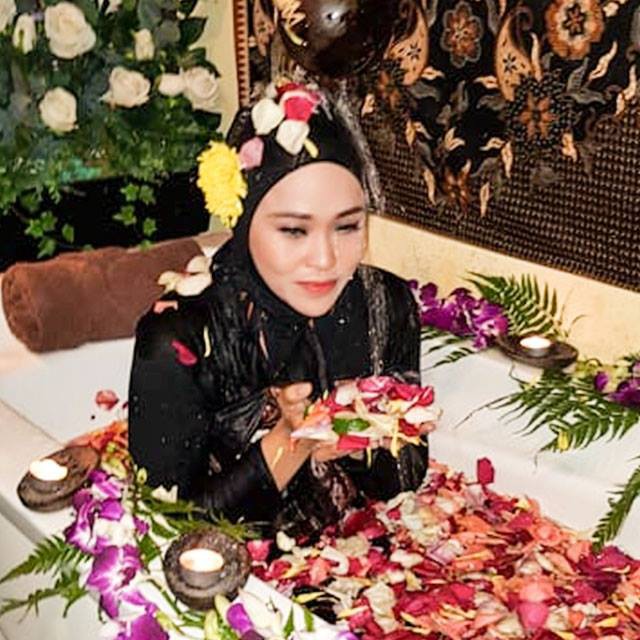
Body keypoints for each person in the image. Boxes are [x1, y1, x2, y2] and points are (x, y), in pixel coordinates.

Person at [128, 79, 429, 537]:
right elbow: (168, 526)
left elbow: (407, 475)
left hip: (357, 552)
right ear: (244, 221)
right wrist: (291, 440)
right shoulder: (178, 337)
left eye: (347, 227)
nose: (326, 259)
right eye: (293, 230)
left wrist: (352, 435)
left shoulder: (384, 304)